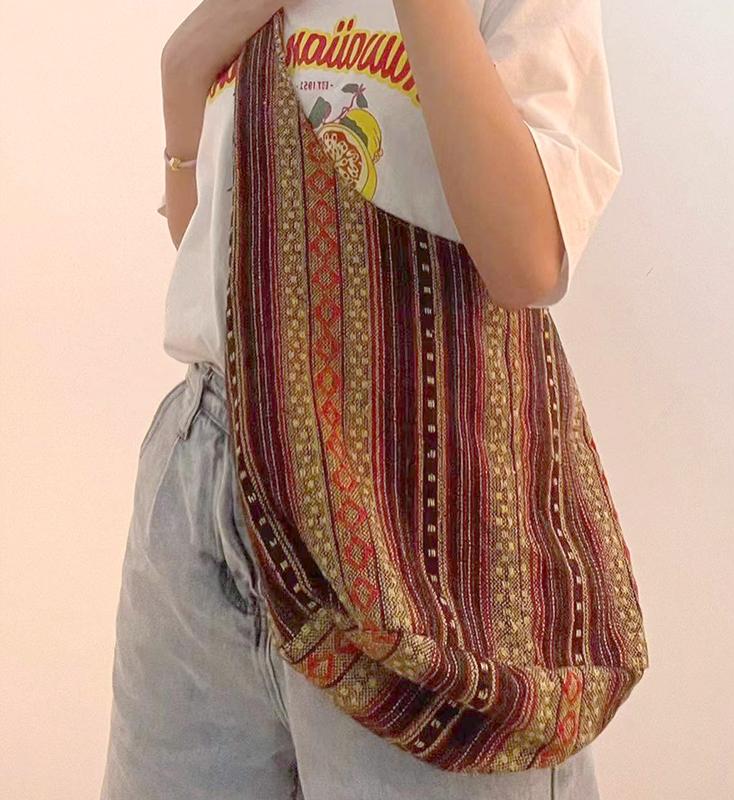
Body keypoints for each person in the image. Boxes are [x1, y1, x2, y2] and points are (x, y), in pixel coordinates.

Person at [100, 1, 623, 797]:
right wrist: (184, 65)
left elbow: (528, 259)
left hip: (422, 502)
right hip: (206, 469)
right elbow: (212, 250)